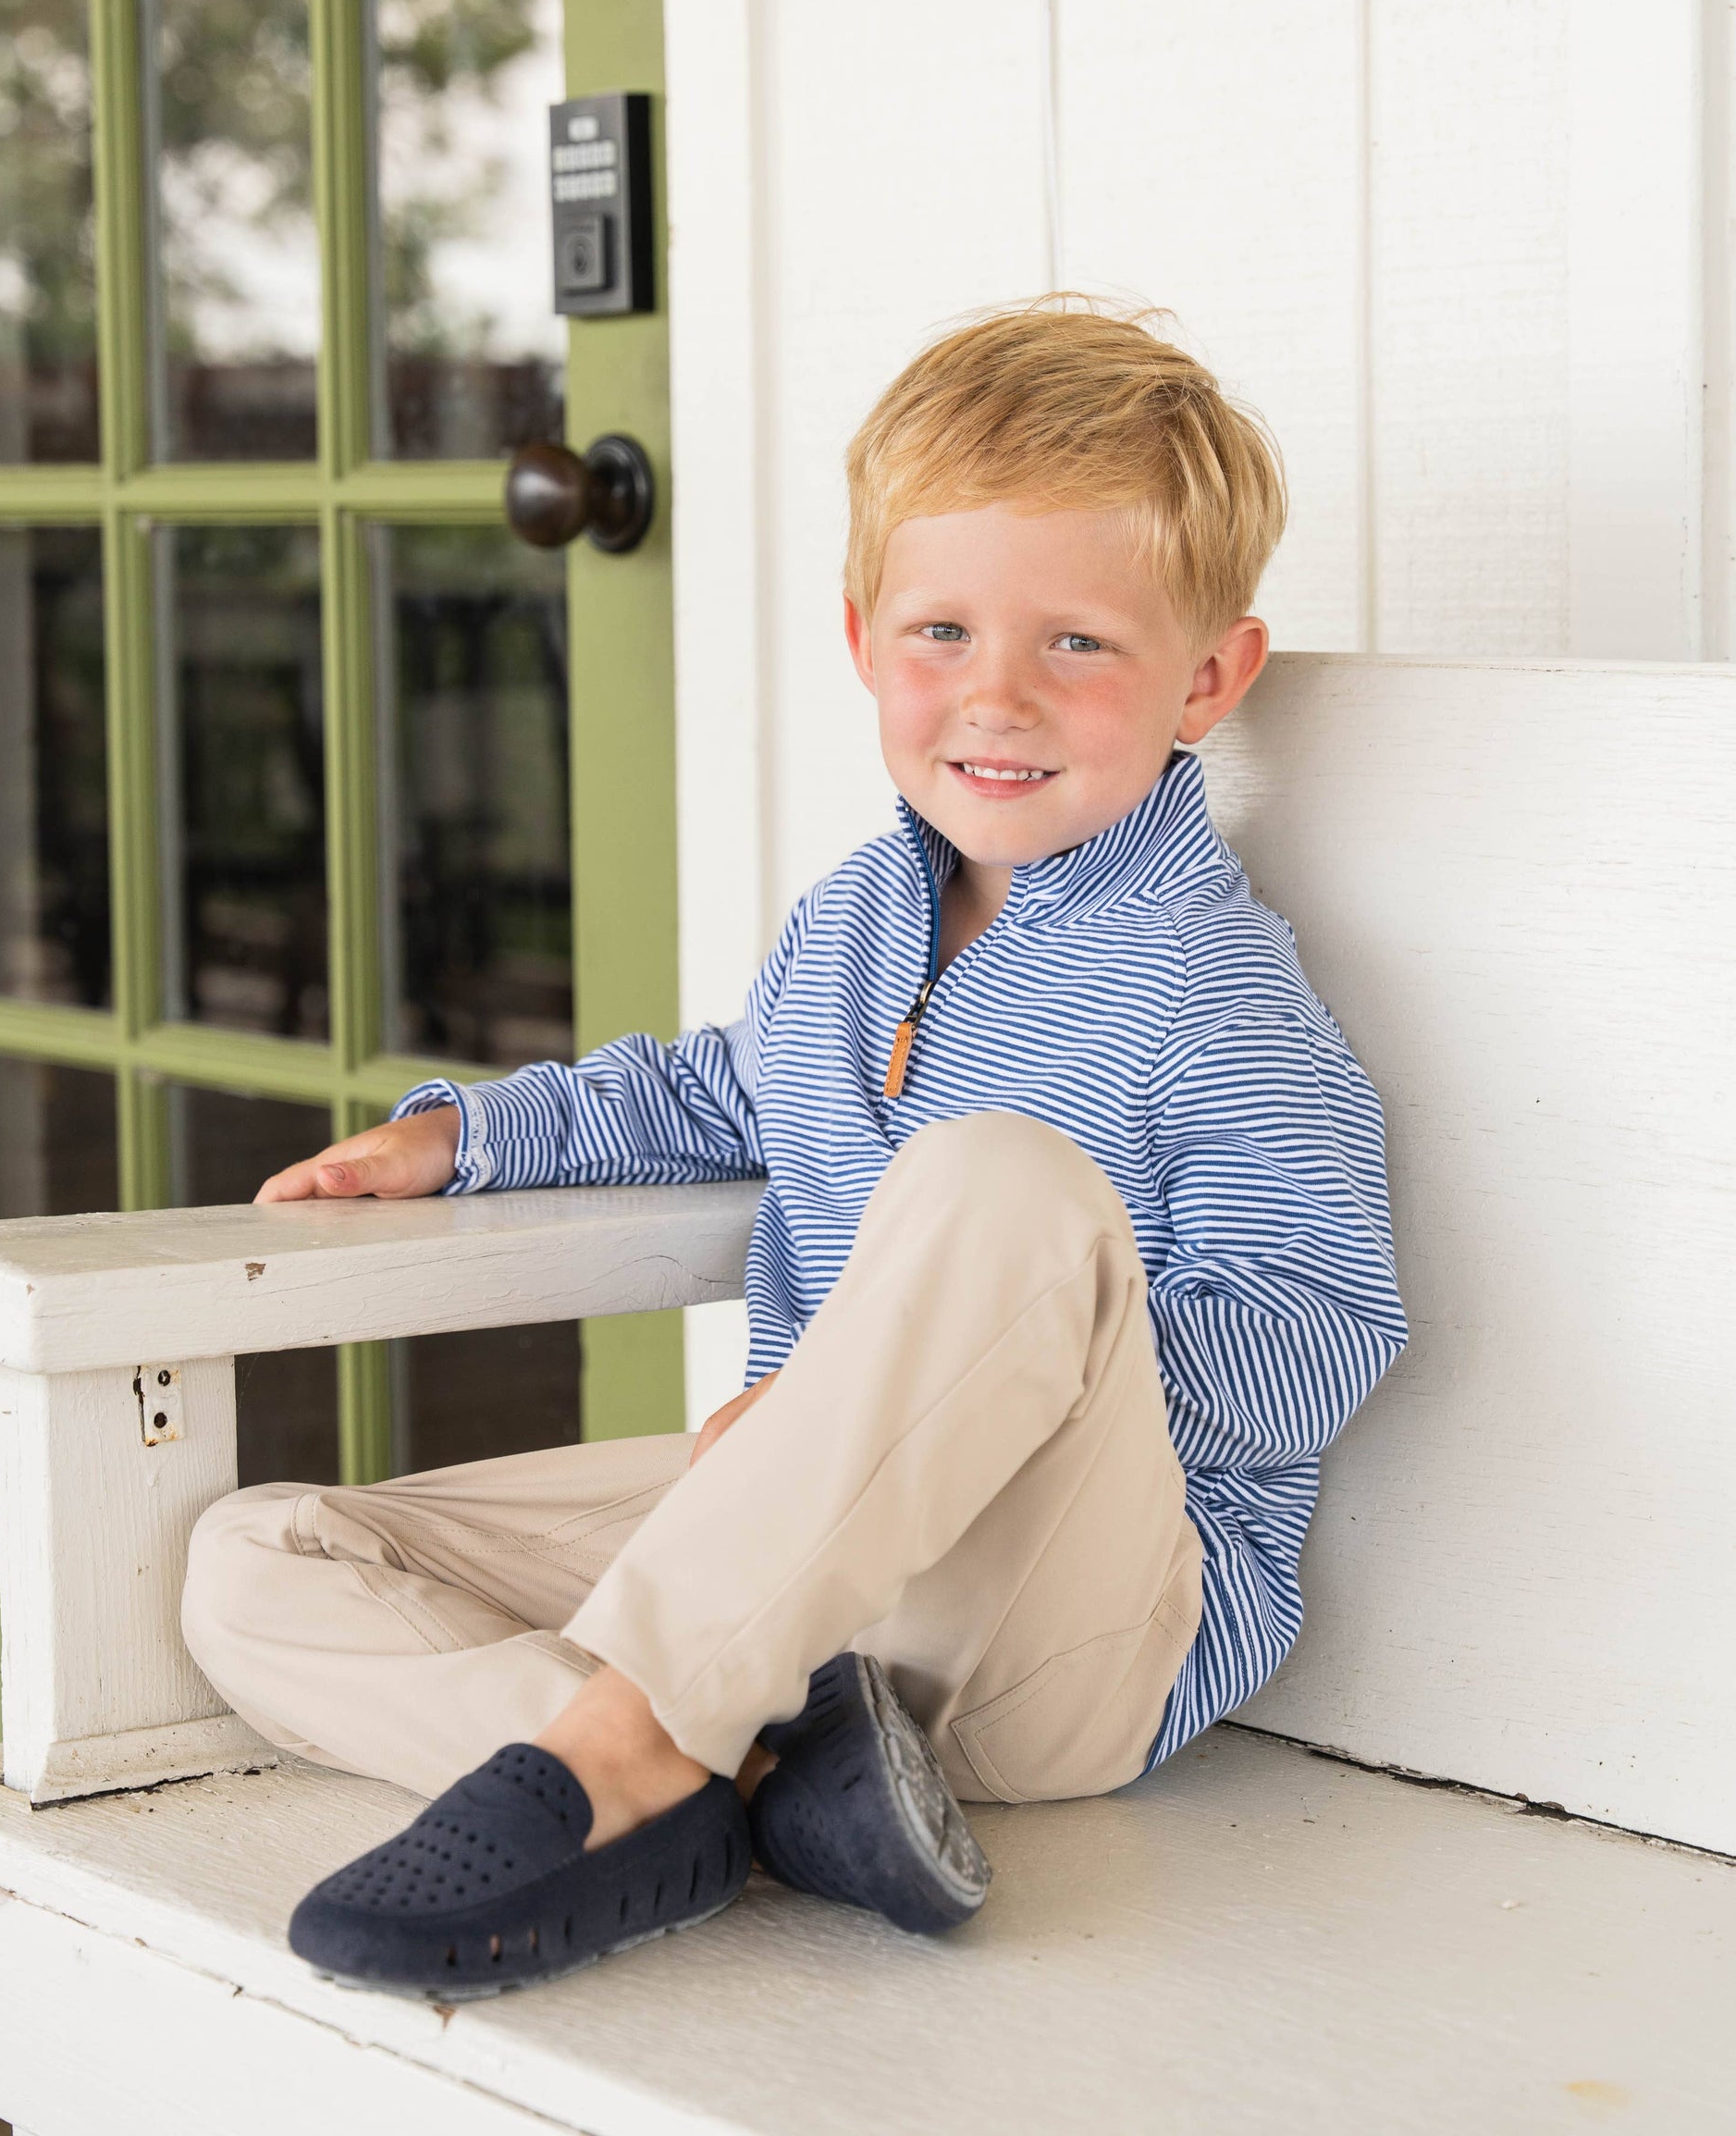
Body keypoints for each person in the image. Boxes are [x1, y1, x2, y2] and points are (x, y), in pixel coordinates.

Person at [181, 299, 1406, 1998]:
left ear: (1206, 677)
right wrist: (465, 1135)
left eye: (1076, 645)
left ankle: (620, 1755)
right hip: (802, 1612)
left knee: (1001, 1182)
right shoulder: (854, 922)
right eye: (942, 631)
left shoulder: (1214, 991)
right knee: (258, 1562)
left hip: (1048, 1647)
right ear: (859, 637)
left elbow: (1318, 1330)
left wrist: (880, 1418)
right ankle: (752, 1786)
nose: (993, 694)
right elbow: (720, 1092)